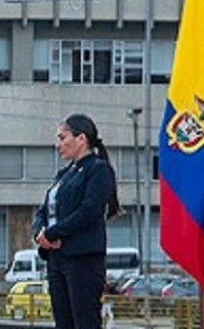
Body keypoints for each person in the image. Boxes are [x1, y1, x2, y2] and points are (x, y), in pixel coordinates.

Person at [32, 114, 121, 329]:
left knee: (85, 321)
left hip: (82, 259)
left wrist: (54, 233)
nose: (58, 145)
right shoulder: (63, 175)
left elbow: (89, 211)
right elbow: (44, 210)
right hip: (56, 259)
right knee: (63, 322)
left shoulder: (98, 170)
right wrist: (40, 233)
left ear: (81, 138)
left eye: (63, 138)